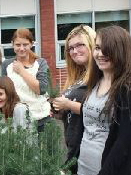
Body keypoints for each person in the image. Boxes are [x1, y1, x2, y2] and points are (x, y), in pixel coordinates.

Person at [76, 25, 131, 175]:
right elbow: (83, 129)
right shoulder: (94, 84)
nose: (100, 54)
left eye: (107, 49)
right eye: (98, 48)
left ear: (120, 51)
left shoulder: (125, 90)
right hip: (83, 166)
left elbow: (124, 141)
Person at [52, 25, 95, 173]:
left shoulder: (99, 76)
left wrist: (68, 104)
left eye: (80, 45)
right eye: (70, 48)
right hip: (73, 144)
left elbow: (100, 113)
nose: (74, 51)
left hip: (88, 148)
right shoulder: (77, 77)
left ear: (92, 44)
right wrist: (60, 111)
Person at [1, 28, 50, 132]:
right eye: (18, 45)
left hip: (40, 118)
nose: (21, 48)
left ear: (31, 44)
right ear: (12, 44)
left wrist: (22, 71)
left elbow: (41, 89)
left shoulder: (40, 63)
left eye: (25, 44)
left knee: (41, 147)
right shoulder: (6, 65)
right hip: (16, 118)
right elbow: (5, 92)